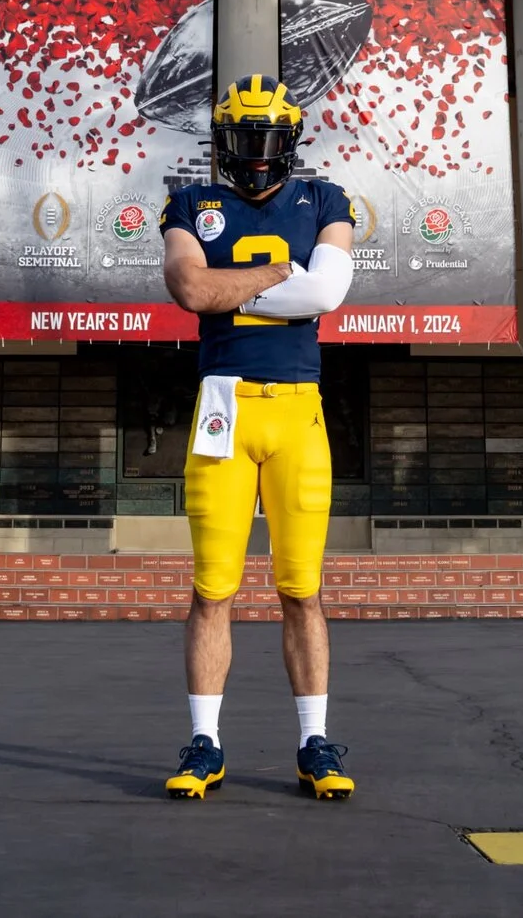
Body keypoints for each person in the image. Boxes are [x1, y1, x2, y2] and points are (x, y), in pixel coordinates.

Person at [158, 74, 357, 801]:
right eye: (245, 139)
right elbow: (189, 288)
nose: (259, 154)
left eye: (270, 138)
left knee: (302, 587)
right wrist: (279, 271)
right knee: (213, 587)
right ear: (222, 141)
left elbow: (327, 293)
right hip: (224, 407)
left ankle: (315, 740)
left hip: (298, 408)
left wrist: (229, 281)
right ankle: (205, 740)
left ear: (291, 139)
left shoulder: (325, 198)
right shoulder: (191, 202)